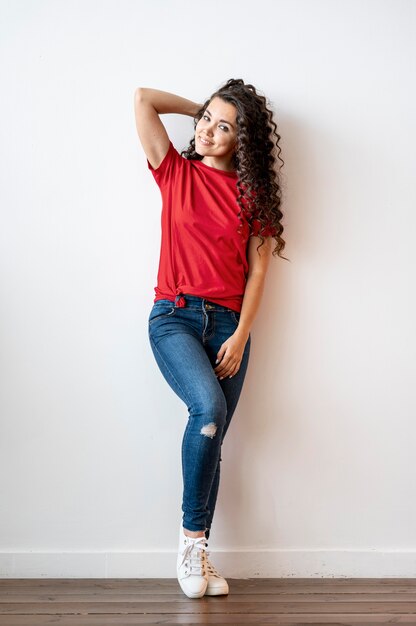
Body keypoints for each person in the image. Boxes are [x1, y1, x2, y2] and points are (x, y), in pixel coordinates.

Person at [133, 78, 288, 599]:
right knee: (208, 412)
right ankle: (191, 542)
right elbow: (142, 99)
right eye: (206, 121)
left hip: (227, 327)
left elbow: (259, 275)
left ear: (242, 141)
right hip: (173, 317)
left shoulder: (252, 196)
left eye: (224, 127)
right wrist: (199, 106)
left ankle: (199, 554)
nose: (207, 132)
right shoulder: (175, 172)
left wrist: (242, 336)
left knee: (213, 434)